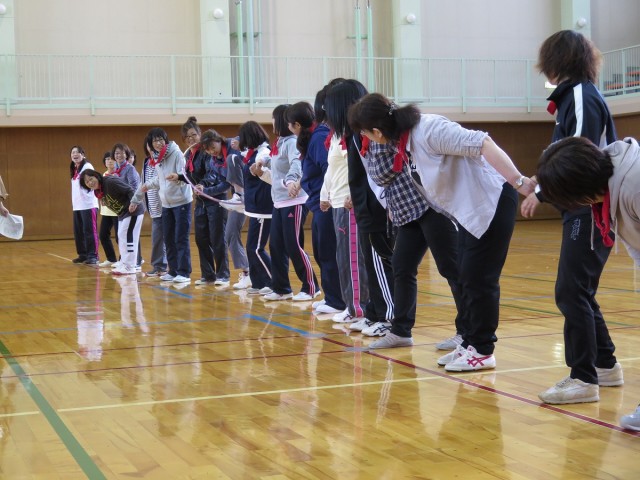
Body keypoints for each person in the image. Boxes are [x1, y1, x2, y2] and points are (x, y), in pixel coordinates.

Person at [348, 93, 535, 371]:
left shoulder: (430, 128)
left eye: (366, 133)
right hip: (467, 211)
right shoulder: (406, 142)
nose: (367, 139)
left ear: (376, 131)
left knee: (478, 279)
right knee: (469, 275)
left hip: (491, 202)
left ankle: (482, 350)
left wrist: (519, 182)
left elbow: (483, 143)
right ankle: (470, 343)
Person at [521, 30, 622, 404]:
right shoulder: (572, 99)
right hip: (582, 207)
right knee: (580, 291)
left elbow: (578, 157)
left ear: (556, 60)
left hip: (589, 208)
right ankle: (605, 365)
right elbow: (564, 151)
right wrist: (537, 180)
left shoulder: (580, 95)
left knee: (570, 291)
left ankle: (583, 378)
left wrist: (543, 193)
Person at [535, 136, 638, 429]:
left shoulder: (634, 187)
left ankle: (590, 374)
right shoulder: (613, 184)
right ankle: (602, 366)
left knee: (573, 290)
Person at [324, 79, 394, 336]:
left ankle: (388, 318)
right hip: (363, 208)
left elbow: (378, 171)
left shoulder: (366, 134)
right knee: (371, 264)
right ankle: (375, 313)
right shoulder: (352, 136)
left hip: (376, 210)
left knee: (381, 264)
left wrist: (364, 196)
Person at [285, 100, 346, 314]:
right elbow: (313, 169)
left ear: (297, 125)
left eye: (290, 125)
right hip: (318, 204)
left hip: (326, 205)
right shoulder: (311, 138)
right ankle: (332, 297)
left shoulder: (319, 137)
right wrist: (299, 183)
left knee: (328, 253)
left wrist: (326, 197)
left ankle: (338, 301)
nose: (289, 129)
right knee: (322, 253)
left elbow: (328, 169)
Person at [259, 105, 320, 301]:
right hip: (279, 203)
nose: (272, 122)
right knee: (276, 245)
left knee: (294, 245)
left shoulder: (292, 141)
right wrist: (263, 163)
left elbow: (296, 163)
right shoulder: (280, 143)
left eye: (274, 118)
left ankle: (311, 287)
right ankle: (281, 288)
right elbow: (278, 163)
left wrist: (291, 180)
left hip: (293, 201)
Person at [130, 128, 193, 284]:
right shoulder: (157, 158)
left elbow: (184, 175)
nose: (158, 143)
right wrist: (146, 186)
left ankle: (184, 273)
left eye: (160, 140)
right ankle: (172, 271)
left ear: (165, 140)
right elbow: (159, 180)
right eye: (154, 141)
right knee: (169, 238)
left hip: (181, 201)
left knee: (180, 238)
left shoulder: (177, 154)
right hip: (167, 204)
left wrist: (176, 177)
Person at [173, 117, 231, 286]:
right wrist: (179, 177)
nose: (191, 139)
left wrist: (203, 184)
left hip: (215, 199)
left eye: (193, 135)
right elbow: (192, 178)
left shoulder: (208, 152)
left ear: (199, 134)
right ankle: (208, 274)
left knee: (217, 238)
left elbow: (213, 173)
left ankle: (223, 275)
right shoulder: (190, 156)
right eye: (187, 137)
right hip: (200, 202)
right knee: (201, 238)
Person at [225, 121, 273, 294]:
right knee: (251, 246)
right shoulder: (252, 152)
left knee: (257, 248)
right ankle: (258, 283)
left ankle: (273, 281)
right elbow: (246, 157)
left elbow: (262, 163)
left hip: (264, 208)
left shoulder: (264, 152)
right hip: (254, 208)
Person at [199, 128, 251, 289]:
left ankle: (241, 195)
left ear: (219, 140)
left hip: (255, 193)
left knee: (231, 158)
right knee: (229, 234)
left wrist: (242, 145)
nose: (211, 152)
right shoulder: (215, 162)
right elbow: (225, 184)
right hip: (238, 200)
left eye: (212, 147)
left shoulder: (234, 144)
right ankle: (248, 273)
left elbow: (257, 147)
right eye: (207, 150)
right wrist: (205, 191)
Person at [79, 169, 144, 275]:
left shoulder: (109, 182)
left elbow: (129, 189)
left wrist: (134, 203)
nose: (90, 182)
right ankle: (124, 263)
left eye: (91, 179)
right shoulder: (98, 191)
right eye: (87, 182)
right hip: (122, 213)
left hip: (133, 210)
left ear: (96, 176)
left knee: (127, 237)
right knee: (121, 236)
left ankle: (131, 266)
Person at [141, 134, 168, 277]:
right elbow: (143, 182)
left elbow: (162, 179)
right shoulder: (146, 162)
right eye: (152, 142)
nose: (155, 145)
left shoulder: (163, 159)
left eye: (159, 140)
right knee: (157, 238)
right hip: (153, 207)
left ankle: (162, 267)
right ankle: (159, 266)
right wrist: (137, 201)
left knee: (163, 238)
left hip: (165, 205)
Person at [69, 145, 99, 265]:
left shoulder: (87, 166)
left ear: (83, 155)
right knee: (79, 231)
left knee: (89, 231)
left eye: (77, 152)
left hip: (88, 204)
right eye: (72, 153)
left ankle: (93, 255)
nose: (75, 154)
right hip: (77, 205)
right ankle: (83, 254)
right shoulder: (74, 169)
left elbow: (93, 182)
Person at [97, 152, 119, 267]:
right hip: (106, 211)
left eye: (112, 159)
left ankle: (123, 260)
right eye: (107, 159)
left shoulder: (118, 174)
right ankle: (111, 258)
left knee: (120, 237)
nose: (109, 161)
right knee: (103, 234)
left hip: (117, 210)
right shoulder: (103, 175)